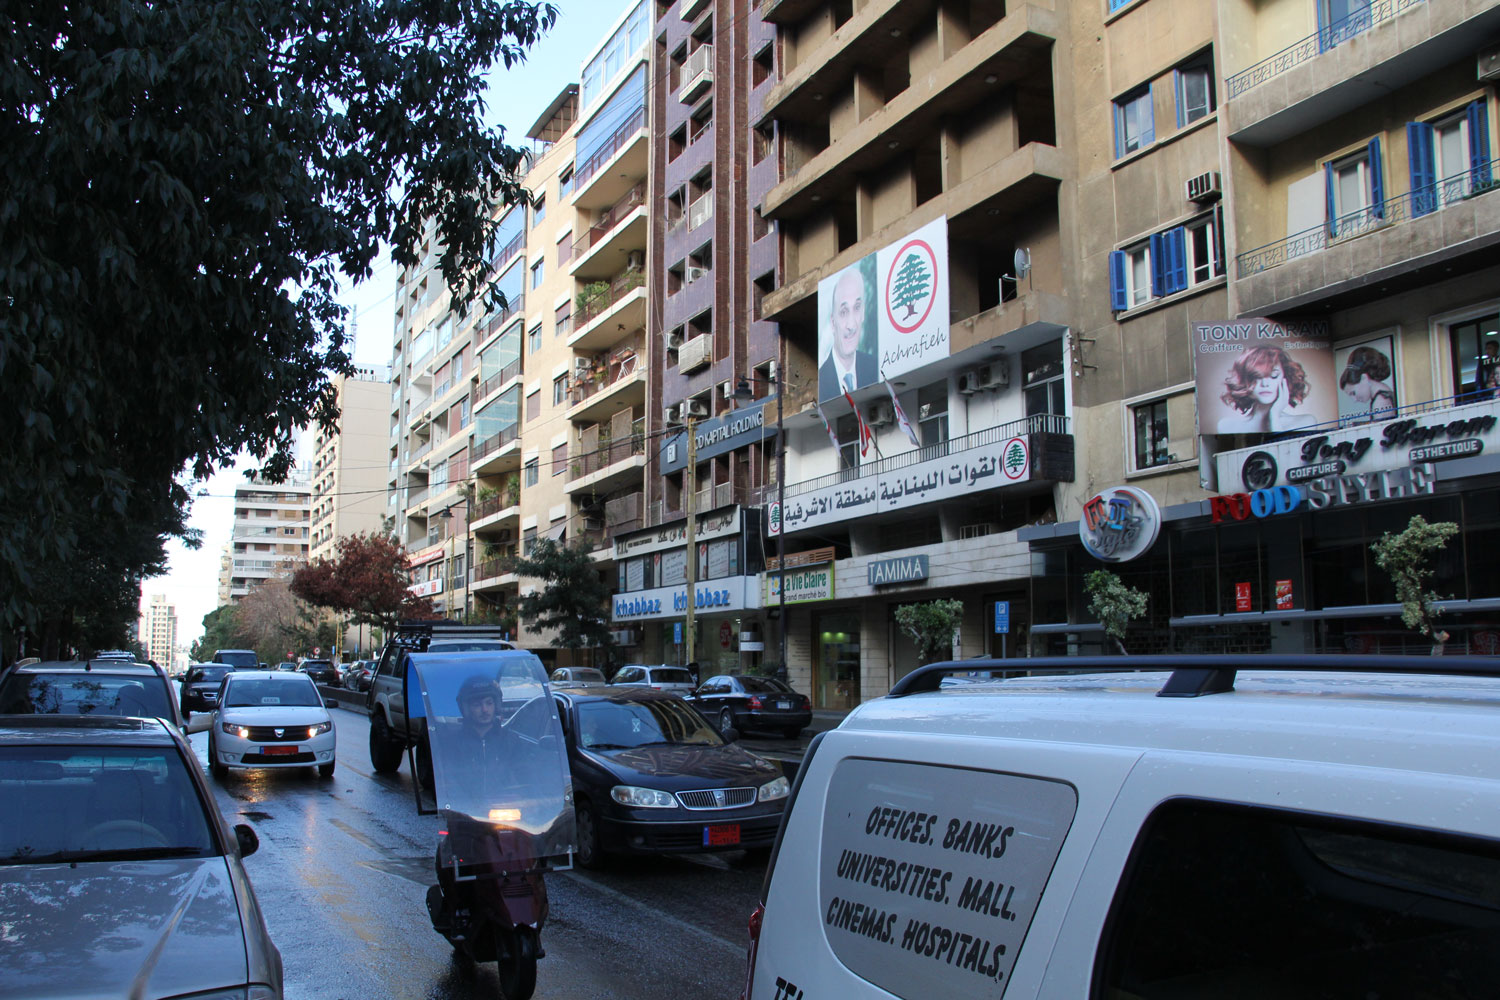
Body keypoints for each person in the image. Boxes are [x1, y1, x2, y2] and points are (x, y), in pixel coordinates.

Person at [1216, 345, 1317, 434]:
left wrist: (1274, 416)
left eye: (1273, 376)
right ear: (1244, 381)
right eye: (1257, 376)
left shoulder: (1306, 422)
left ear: (1286, 378)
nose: (1265, 384)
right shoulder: (1226, 426)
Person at [819, 267, 877, 400]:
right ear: (833, 323)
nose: (851, 325)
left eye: (856, 308)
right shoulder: (821, 382)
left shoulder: (874, 367)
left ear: (863, 313)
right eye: (844, 312)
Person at [1339, 346, 1396, 423]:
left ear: (1364, 378)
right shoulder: (1383, 394)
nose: (1354, 400)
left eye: (1353, 393)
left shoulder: (1380, 402)